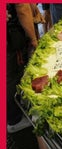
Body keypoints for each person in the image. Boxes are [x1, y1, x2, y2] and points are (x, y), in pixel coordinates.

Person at [7, 3, 38, 133]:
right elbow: (22, 10)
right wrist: (33, 39)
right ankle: (15, 120)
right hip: (9, 37)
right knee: (12, 76)